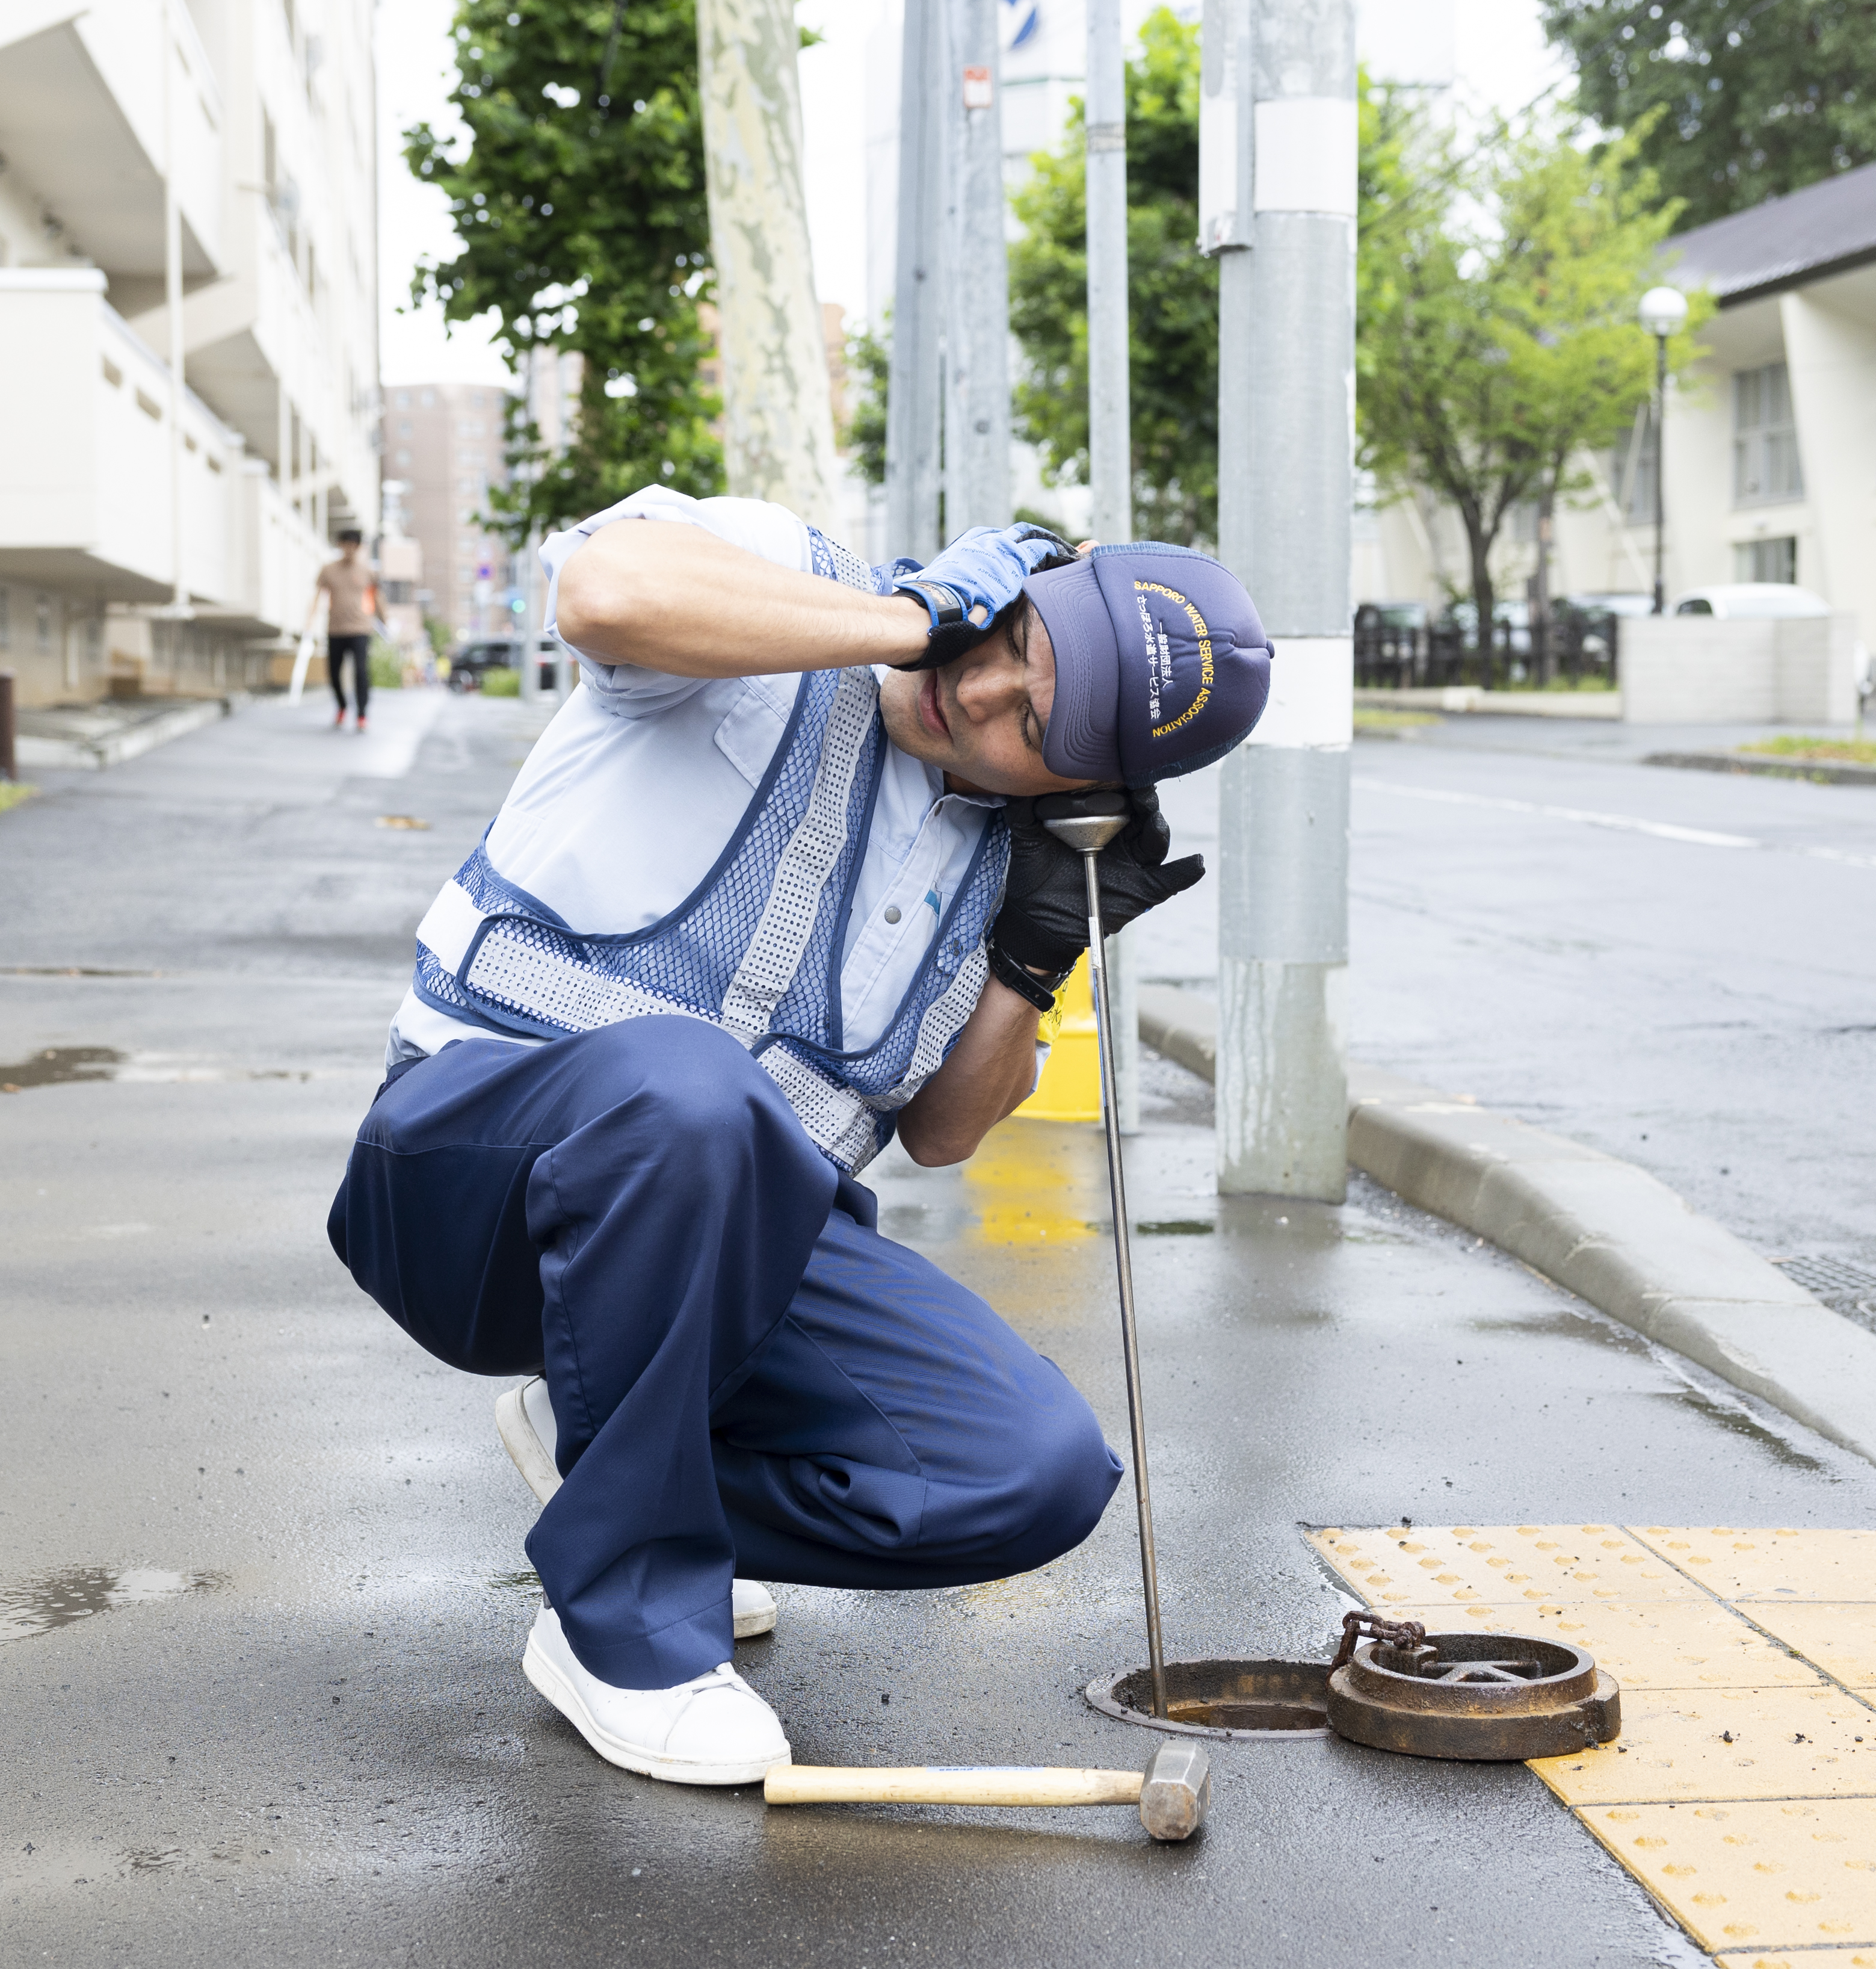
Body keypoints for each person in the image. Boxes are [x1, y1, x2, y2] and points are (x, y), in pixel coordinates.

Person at [327, 487, 1272, 1787]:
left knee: (1031, 1471)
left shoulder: (1015, 856)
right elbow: (603, 593)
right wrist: (903, 618)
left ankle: (612, 1451)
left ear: (1092, 785)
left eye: (1035, 721)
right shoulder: (786, 590)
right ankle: (627, 1632)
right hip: (459, 1184)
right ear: (1034, 577)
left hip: (723, 1265)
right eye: (1013, 638)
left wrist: (1037, 954)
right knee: (690, 1085)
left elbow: (944, 1132)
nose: (981, 690)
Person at [310, 530, 380, 730]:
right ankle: (342, 706)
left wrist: (386, 620)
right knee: (333, 672)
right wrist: (310, 620)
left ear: (358, 547)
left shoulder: (368, 571)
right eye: (345, 544)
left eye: (353, 545)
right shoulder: (328, 570)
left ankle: (362, 715)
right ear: (340, 545)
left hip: (360, 628)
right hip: (336, 629)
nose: (349, 549)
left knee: (361, 671)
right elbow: (317, 596)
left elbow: (377, 598)